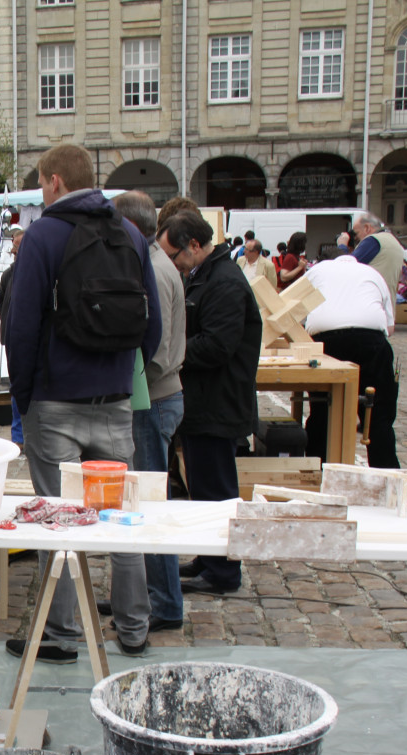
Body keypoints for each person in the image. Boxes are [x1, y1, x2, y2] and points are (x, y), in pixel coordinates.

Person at [4, 143, 162, 661]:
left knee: (59, 521)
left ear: (53, 182)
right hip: (115, 399)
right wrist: (120, 373)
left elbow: (20, 327)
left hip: (54, 400)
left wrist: (25, 399)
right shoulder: (131, 235)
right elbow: (152, 327)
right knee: (122, 519)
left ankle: (62, 633)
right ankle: (134, 628)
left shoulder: (44, 236)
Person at [157, 210, 261, 595]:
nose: (173, 263)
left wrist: (173, 351)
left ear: (195, 246)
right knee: (202, 486)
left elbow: (218, 345)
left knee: (217, 490)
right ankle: (209, 557)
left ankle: (223, 572)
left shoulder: (225, 282)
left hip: (218, 403)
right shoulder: (206, 275)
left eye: (175, 255)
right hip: (204, 403)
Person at [112, 190, 184, 631]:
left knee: (149, 506)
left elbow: (153, 345)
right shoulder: (156, 263)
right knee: (142, 501)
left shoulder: (153, 269)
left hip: (152, 397)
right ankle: (146, 594)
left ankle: (163, 602)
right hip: (154, 395)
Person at [303, 253, 400, 468]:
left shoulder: (317, 271)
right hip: (371, 340)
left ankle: (316, 466)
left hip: (326, 339)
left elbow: (296, 310)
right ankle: (385, 470)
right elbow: (390, 328)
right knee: (378, 415)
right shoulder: (373, 274)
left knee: (322, 408)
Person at [0, 228, 26, 448]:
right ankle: (19, 437)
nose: (15, 250)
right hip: (13, 339)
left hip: (29, 339)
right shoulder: (10, 274)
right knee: (16, 387)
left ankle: (27, 436)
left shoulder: (38, 271)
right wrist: (7, 322)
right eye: (14, 246)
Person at [351, 212, 407, 309]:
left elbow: (347, 266)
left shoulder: (372, 241)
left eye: (356, 233)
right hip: (387, 306)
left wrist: (342, 246)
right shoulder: (393, 241)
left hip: (369, 305)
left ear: (367, 228)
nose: (355, 238)